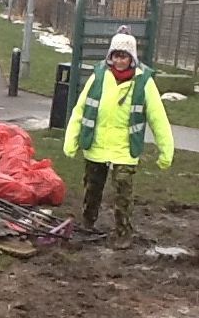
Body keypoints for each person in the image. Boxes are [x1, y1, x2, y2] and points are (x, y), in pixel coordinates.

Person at [63, 26, 174, 249]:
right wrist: (71, 139)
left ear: (131, 58)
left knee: (123, 189)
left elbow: (158, 118)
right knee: (92, 187)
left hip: (125, 149)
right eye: (115, 55)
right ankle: (88, 222)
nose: (119, 60)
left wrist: (166, 150)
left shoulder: (144, 83)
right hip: (96, 145)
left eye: (124, 56)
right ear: (110, 57)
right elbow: (80, 109)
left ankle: (123, 233)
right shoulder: (99, 77)